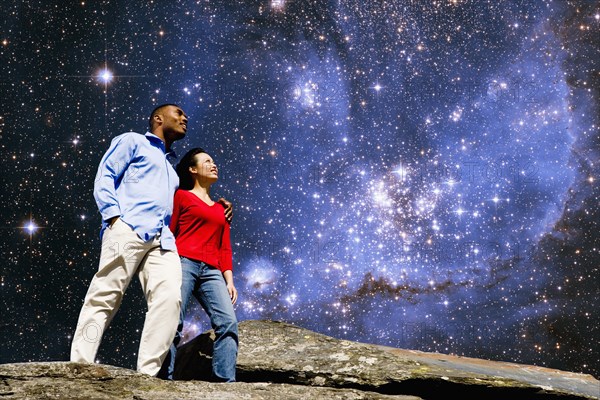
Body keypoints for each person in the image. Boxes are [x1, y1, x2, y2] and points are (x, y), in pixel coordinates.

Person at [70, 104, 232, 376]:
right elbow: (106, 174)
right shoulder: (133, 141)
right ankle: (80, 364)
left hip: (162, 242)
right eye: (178, 113)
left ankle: (147, 376)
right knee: (105, 295)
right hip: (127, 228)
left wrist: (219, 205)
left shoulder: (171, 171)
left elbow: (192, 200)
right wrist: (113, 217)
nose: (185, 118)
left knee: (170, 301)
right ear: (158, 118)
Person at [158, 147, 238, 382]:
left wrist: (229, 280)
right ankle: (166, 380)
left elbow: (224, 247)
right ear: (192, 169)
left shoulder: (222, 208)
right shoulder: (181, 196)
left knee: (228, 322)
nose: (214, 164)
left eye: (214, 161)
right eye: (207, 161)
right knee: (173, 322)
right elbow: (170, 230)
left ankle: (225, 382)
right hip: (182, 262)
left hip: (212, 271)